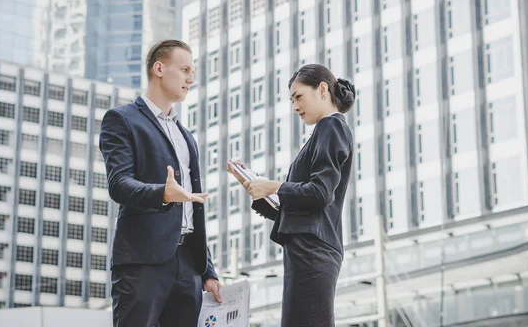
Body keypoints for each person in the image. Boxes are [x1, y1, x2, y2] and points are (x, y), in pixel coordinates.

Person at [100, 39, 222, 327]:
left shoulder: (187, 136)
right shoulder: (122, 119)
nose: (191, 79)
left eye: (192, 72)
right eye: (184, 70)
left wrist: (208, 270)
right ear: (159, 68)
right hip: (143, 262)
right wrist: (163, 194)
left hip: (189, 265)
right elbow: (119, 184)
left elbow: (192, 210)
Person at [242, 64, 355, 327]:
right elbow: (308, 202)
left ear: (323, 90)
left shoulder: (330, 126)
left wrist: (273, 186)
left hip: (313, 249)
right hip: (308, 247)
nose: (295, 106)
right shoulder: (324, 130)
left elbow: (320, 193)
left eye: (298, 96)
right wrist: (262, 191)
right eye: (292, 100)